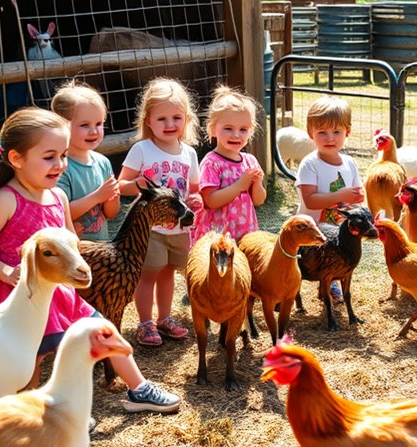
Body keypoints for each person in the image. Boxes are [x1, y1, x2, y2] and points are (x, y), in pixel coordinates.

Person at [0, 108, 179, 414]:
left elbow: (71, 241)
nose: (60, 164)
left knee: (103, 330)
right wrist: (7, 271)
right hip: (19, 295)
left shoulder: (58, 198)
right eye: (49, 157)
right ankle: (34, 410)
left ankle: (139, 389)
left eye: (63, 155)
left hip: (57, 291)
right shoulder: (5, 200)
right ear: (16, 159)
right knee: (32, 356)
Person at [117, 78, 201, 347]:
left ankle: (165, 318)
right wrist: (137, 184)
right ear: (148, 121)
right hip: (149, 228)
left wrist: (196, 199)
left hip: (179, 227)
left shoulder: (189, 153)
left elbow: (194, 189)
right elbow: (121, 185)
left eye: (176, 117)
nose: (169, 124)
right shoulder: (142, 149)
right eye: (161, 118)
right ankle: (145, 323)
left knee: (168, 272)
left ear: (187, 119)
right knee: (148, 273)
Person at [295, 95, 364, 304]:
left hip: (337, 230)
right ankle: (289, 289)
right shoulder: (310, 164)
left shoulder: (349, 164)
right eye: (322, 132)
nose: (330, 138)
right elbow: (310, 201)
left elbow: (357, 197)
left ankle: (330, 284)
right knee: (300, 263)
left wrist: (358, 201)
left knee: (334, 259)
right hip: (310, 229)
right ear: (311, 133)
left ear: (347, 132)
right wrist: (341, 195)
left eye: (337, 132)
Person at [190, 85, 266, 243]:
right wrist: (240, 185)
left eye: (243, 130)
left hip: (245, 232)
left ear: (251, 132)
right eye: (228, 128)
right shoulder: (212, 162)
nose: (236, 135)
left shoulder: (250, 161)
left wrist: (257, 183)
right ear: (213, 129)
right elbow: (210, 201)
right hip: (218, 236)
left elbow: (258, 201)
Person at [50, 80, 120, 240]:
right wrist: (98, 196)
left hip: (100, 248)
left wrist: (112, 198)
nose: (94, 131)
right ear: (63, 125)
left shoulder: (103, 163)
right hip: (71, 249)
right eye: (85, 125)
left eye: (99, 124)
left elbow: (111, 214)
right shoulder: (59, 166)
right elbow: (59, 212)